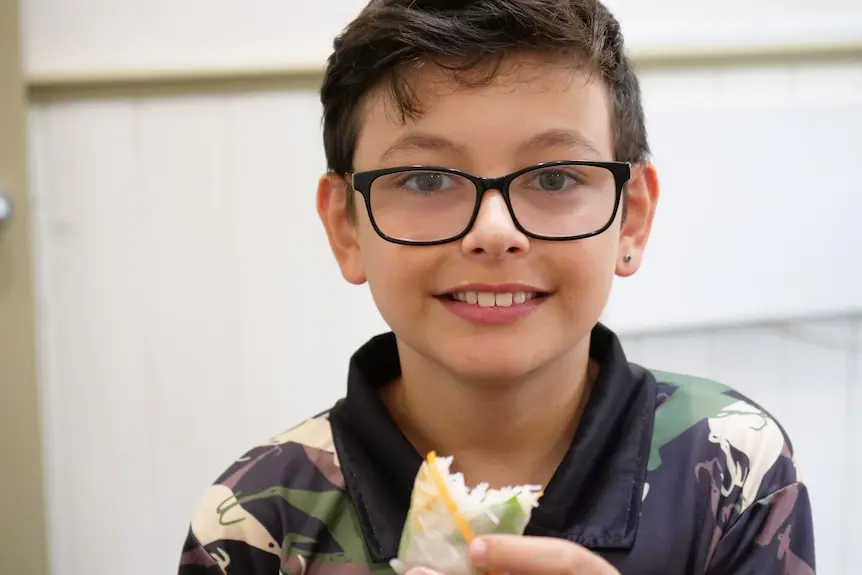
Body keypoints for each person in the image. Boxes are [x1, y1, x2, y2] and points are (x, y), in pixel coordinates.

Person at [176, 0, 816, 573]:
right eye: (426, 180)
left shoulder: (733, 463)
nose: (494, 232)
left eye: (556, 178)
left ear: (633, 217)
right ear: (347, 226)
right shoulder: (258, 519)